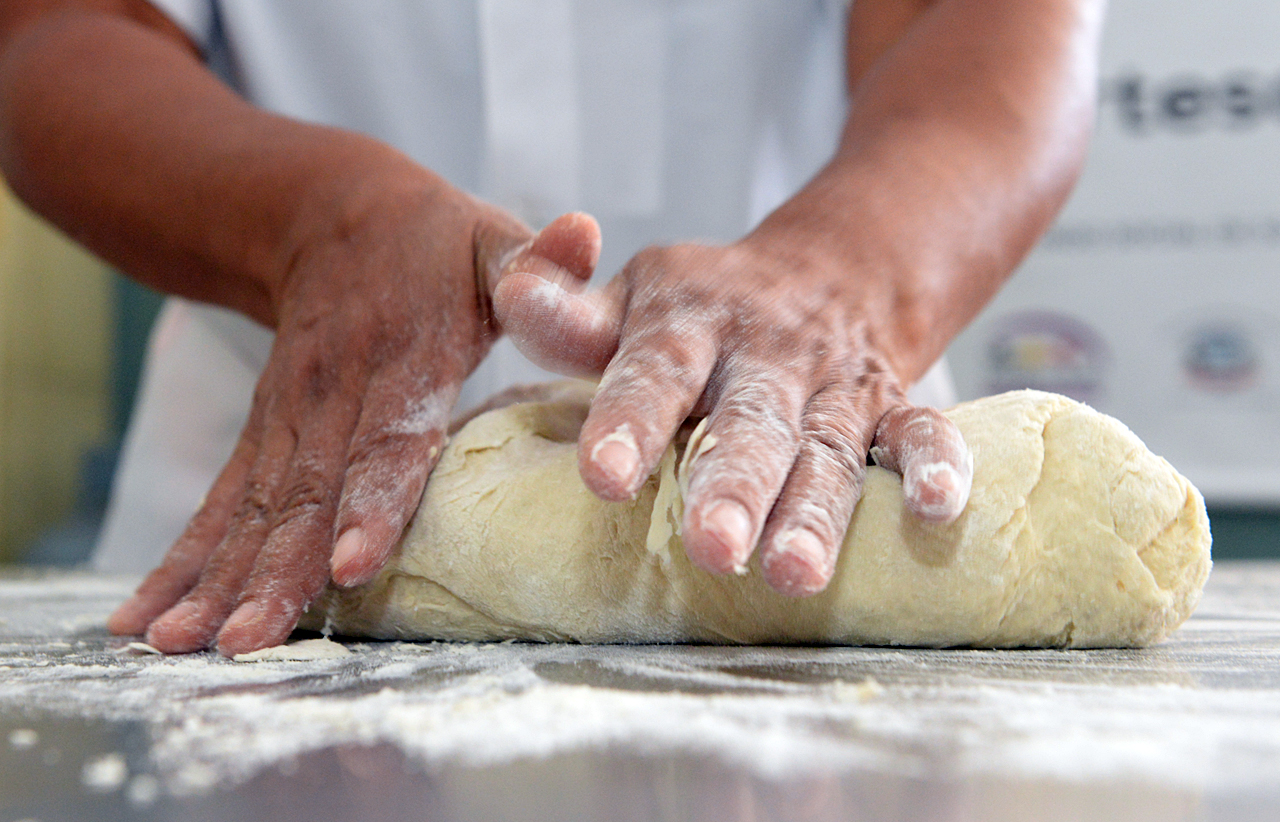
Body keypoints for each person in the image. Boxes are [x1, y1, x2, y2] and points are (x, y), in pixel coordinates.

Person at [0, 0, 1106, 656]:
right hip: (299, 469)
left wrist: (843, 275)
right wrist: (309, 228)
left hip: (805, 437)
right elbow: (56, 30)